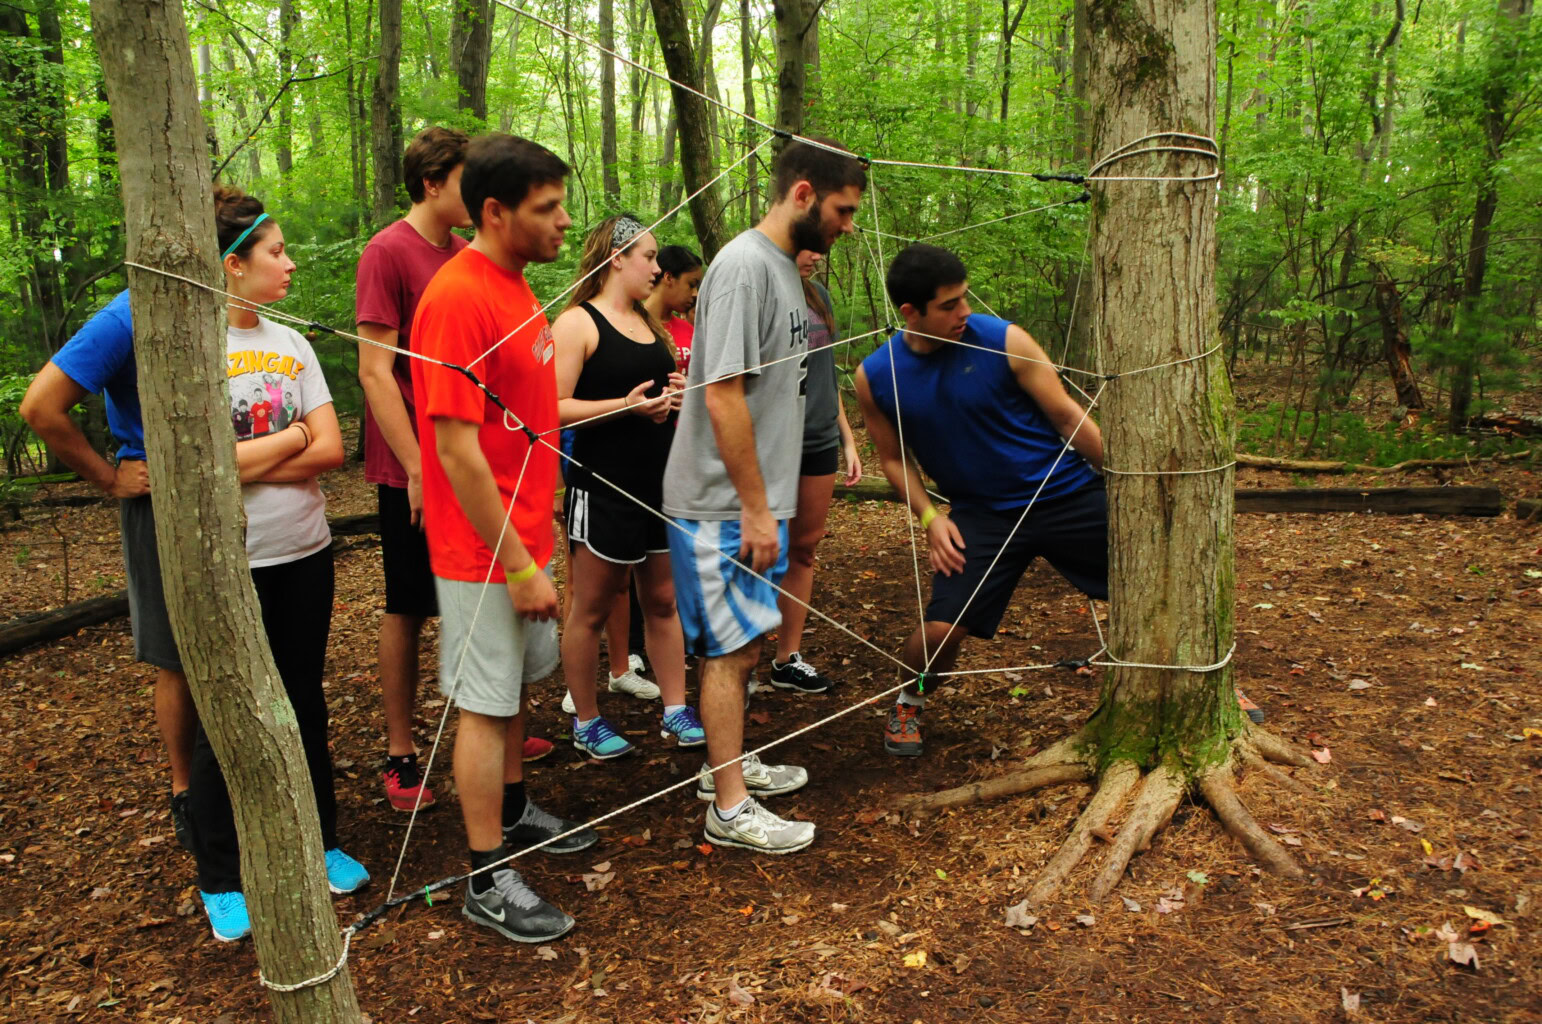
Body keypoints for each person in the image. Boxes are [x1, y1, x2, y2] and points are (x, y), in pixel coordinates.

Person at [411, 133, 596, 944]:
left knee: (514, 688)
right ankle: (486, 877)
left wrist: (536, 537)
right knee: (484, 709)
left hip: (522, 536)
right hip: (483, 553)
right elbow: (454, 450)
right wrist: (516, 564)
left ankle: (514, 811)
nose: (564, 223)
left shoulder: (517, 287)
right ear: (495, 212)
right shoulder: (458, 298)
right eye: (547, 208)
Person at [662, 138, 865, 854]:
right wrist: (754, 505)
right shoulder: (746, 267)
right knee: (728, 650)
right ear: (804, 193)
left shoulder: (786, 271)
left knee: (746, 643)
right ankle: (727, 806)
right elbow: (720, 397)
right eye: (842, 210)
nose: (848, 225)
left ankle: (733, 764)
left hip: (757, 496)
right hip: (721, 501)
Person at [188, 186, 368, 942]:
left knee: (303, 700)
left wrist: (266, 454)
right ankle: (222, 877)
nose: (288, 265)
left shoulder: (293, 345)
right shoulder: (190, 348)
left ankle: (317, 839)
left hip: (304, 552)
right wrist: (289, 441)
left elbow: (334, 448)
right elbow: (200, 466)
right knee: (220, 714)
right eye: (275, 252)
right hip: (229, 563)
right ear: (233, 265)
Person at [356, 127, 552, 815]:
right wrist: (415, 465)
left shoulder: (474, 256)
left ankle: (499, 758)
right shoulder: (389, 252)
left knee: (488, 644)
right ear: (435, 181)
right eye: (466, 177)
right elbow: (377, 372)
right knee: (410, 605)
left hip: (478, 471)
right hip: (420, 461)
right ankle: (403, 751)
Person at [855, 244, 1107, 759]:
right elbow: (893, 459)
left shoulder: (1005, 340)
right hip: (982, 516)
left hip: (1067, 492)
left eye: (965, 298)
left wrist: (1127, 476)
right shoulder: (876, 375)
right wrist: (930, 518)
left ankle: (1202, 682)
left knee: (1156, 581)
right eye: (949, 305)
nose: (965, 313)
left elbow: (1066, 416)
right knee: (940, 631)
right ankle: (909, 701)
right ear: (911, 312)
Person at [19, 301, 197, 851]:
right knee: (179, 656)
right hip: (160, 501)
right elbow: (41, 406)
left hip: (244, 492)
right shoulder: (130, 314)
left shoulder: (230, 304)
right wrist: (108, 477)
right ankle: (185, 790)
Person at [551, 214, 702, 759]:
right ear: (617, 258)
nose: (658, 268)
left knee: (662, 600)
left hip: (658, 484)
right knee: (591, 606)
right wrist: (626, 406)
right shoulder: (577, 323)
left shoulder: (648, 322)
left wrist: (676, 396)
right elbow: (552, 409)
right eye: (649, 257)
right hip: (603, 486)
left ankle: (677, 709)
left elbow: (654, 398)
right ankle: (586, 719)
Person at [768, 250, 863, 694]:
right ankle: (737, 660)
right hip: (772, 441)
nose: (818, 258)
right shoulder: (762, 292)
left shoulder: (819, 295)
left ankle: (787, 658)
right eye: (809, 250)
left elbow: (825, 374)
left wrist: (846, 437)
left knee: (803, 549)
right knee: (764, 551)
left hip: (819, 438)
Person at [644, 244, 704, 376]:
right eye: (691, 285)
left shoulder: (690, 330)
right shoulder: (632, 324)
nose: (695, 294)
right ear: (668, 277)